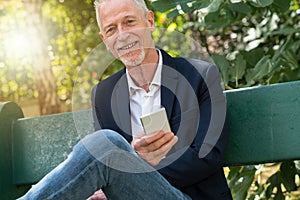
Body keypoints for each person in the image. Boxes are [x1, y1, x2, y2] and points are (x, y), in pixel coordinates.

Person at [18, 0, 232, 199]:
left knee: (105, 144)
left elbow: (207, 156)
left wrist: (131, 164)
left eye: (129, 22)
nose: (122, 35)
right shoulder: (103, 94)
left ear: (149, 22)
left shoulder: (199, 75)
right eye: (111, 29)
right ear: (105, 40)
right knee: (106, 147)